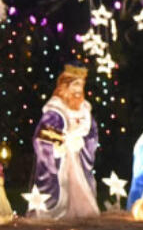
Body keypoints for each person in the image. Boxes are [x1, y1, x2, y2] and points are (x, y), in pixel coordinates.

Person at [29, 64, 100, 220]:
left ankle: (81, 212)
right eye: (75, 85)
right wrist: (61, 144)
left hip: (78, 157)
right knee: (63, 184)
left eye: (81, 85)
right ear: (65, 86)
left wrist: (83, 142)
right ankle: (57, 212)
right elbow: (42, 136)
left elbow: (92, 134)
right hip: (62, 157)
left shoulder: (85, 110)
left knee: (80, 185)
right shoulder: (55, 109)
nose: (78, 90)